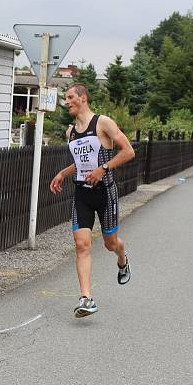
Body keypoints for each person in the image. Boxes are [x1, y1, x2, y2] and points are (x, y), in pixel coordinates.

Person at [49, 84, 135, 318]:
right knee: (81, 245)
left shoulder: (103, 123)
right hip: (82, 194)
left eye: (70, 97)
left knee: (110, 243)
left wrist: (103, 168)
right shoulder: (71, 133)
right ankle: (86, 299)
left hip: (105, 193)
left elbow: (128, 151)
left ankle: (122, 257)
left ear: (83, 98)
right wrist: (63, 173)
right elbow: (81, 162)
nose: (66, 102)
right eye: (65, 98)